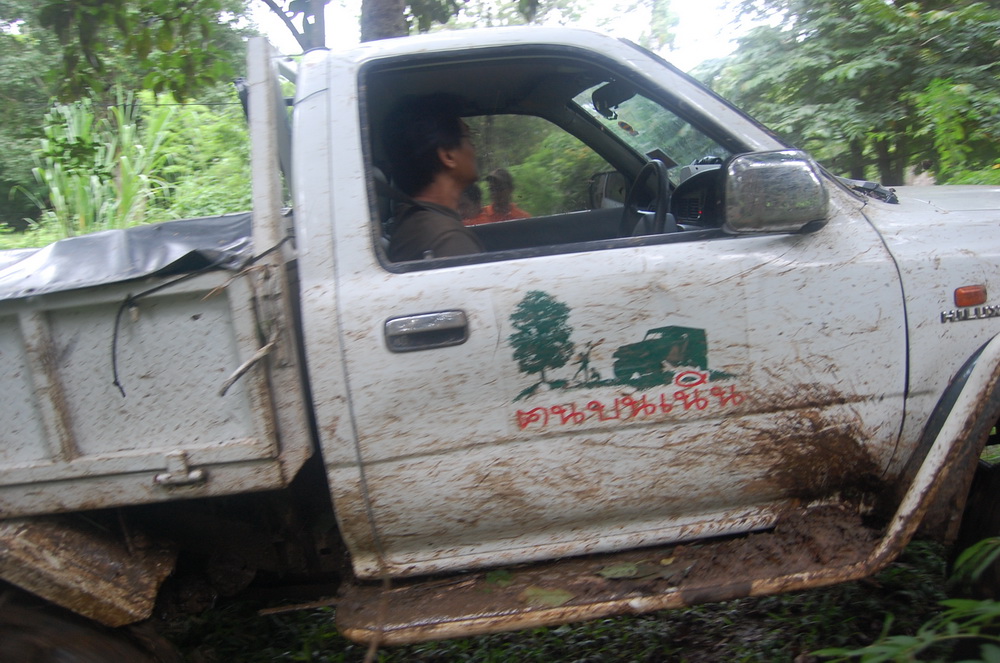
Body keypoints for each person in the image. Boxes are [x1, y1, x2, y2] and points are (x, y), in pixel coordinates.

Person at [382, 94, 484, 262]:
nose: (474, 148)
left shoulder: (414, 220)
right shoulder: (449, 241)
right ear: (448, 156)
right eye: (469, 137)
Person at [465, 168, 530, 226]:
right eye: (492, 189)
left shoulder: (522, 218)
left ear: (510, 189)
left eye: (500, 189)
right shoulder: (479, 215)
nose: (495, 193)